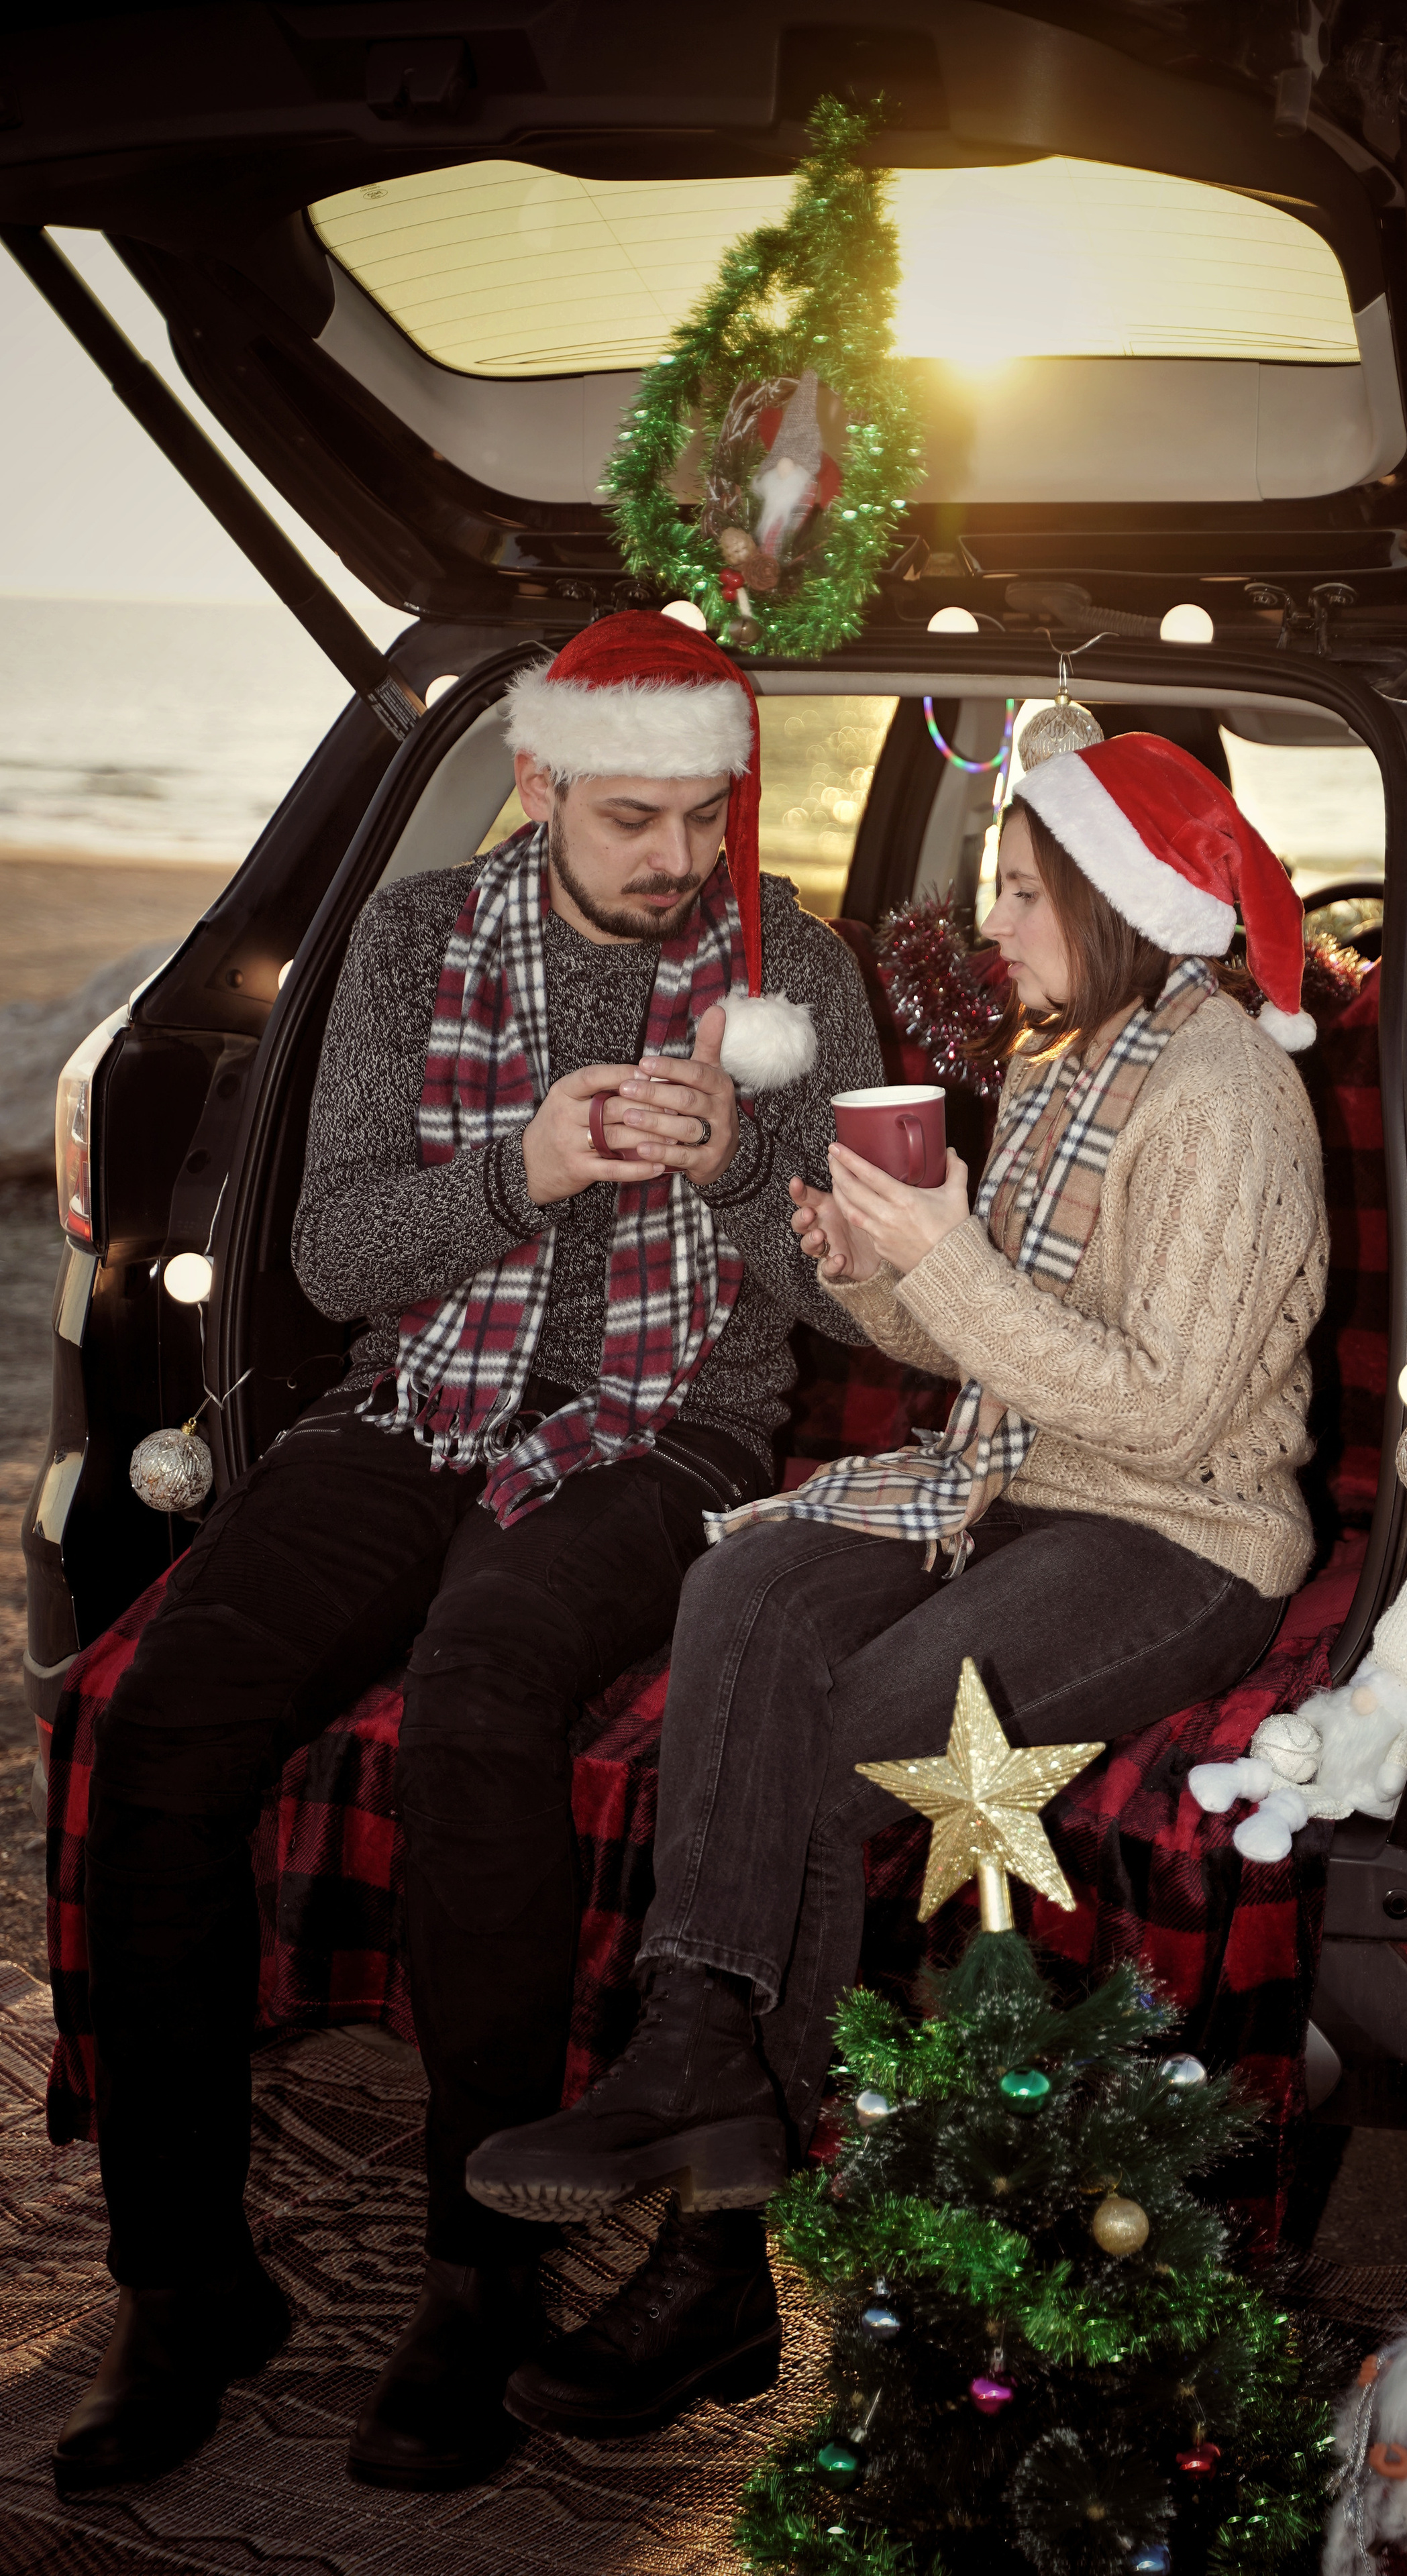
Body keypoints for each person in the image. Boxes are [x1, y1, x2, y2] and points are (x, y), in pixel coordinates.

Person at [54, 613, 884, 2500]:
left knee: (481, 1693)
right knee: (166, 1718)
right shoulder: (416, 941)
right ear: (537, 785)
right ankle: (182, 2286)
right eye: (633, 820)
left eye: (705, 815)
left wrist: (740, 1172)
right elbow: (334, 1259)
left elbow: (856, 1295)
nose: (677, 859)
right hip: (417, 1396)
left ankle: (476, 2275)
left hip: (667, 1427)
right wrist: (525, 1169)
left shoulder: (794, 973)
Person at [465, 729, 1332, 2441]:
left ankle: (711, 2263)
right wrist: (872, 1272)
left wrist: (944, 1256)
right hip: (1008, 1480)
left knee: (847, 1731)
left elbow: (1164, 1411)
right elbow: (989, 1346)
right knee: (749, 1589)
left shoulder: (1224, 1094)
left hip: (1181, 1528)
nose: (989, 923)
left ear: (1114, 902)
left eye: (1018, 892)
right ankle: (695, 2048)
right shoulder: (1071, 1059)